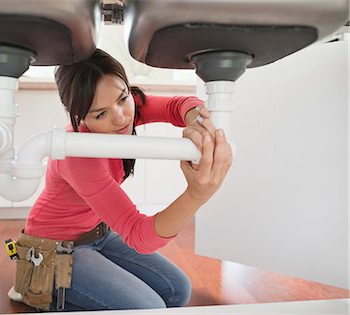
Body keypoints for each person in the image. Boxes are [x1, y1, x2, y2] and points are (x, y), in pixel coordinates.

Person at [13, 49, 232, 311]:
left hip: (98, 235)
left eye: (122, 98)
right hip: (54, 249)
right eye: (100, 114)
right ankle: (34, 285)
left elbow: (179, 105)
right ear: (79, 115)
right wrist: (196, 195)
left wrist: (198, 121)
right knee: (150, 308)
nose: (120, 117)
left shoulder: (128, 108)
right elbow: (140, 235)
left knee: (177, 290)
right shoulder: (76, 153)